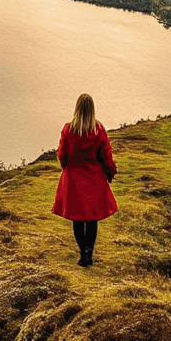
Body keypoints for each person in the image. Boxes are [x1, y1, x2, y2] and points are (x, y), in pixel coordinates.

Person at [51, 93, 117, 266]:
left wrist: (66, 167)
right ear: (92, 109)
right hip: (94, 177)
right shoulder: (98, 129)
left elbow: (61, 154)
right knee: (92, 219)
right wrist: (110, 172)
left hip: (73, 178)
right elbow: (106, 155)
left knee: (77, 219)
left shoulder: (68, 129)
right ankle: (89, 253)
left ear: (77, 108)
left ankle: (83, 254)